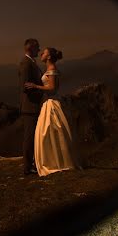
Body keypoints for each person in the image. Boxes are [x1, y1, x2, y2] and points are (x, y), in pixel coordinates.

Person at [25, 47, 78, 176]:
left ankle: (53, 161)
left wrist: (35, 86)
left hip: (51, 102)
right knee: (49, 132)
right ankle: (54, 159)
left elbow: (52, 88)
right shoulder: (50, 69)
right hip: (48, 102)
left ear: (48, 57)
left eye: (44, 52)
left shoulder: (52, 69)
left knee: (48, 131)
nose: (41, 54)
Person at [18, 38, 43, 175]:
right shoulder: (26, 63)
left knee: (32, 136)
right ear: (31, 48)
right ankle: (27, 168)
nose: (39, 50)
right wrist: (42, 92)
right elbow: (25, 87)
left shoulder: (30, 62)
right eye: (37, 47)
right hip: (30, 107)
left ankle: (31, 164)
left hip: (32, 106)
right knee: (29, 137)